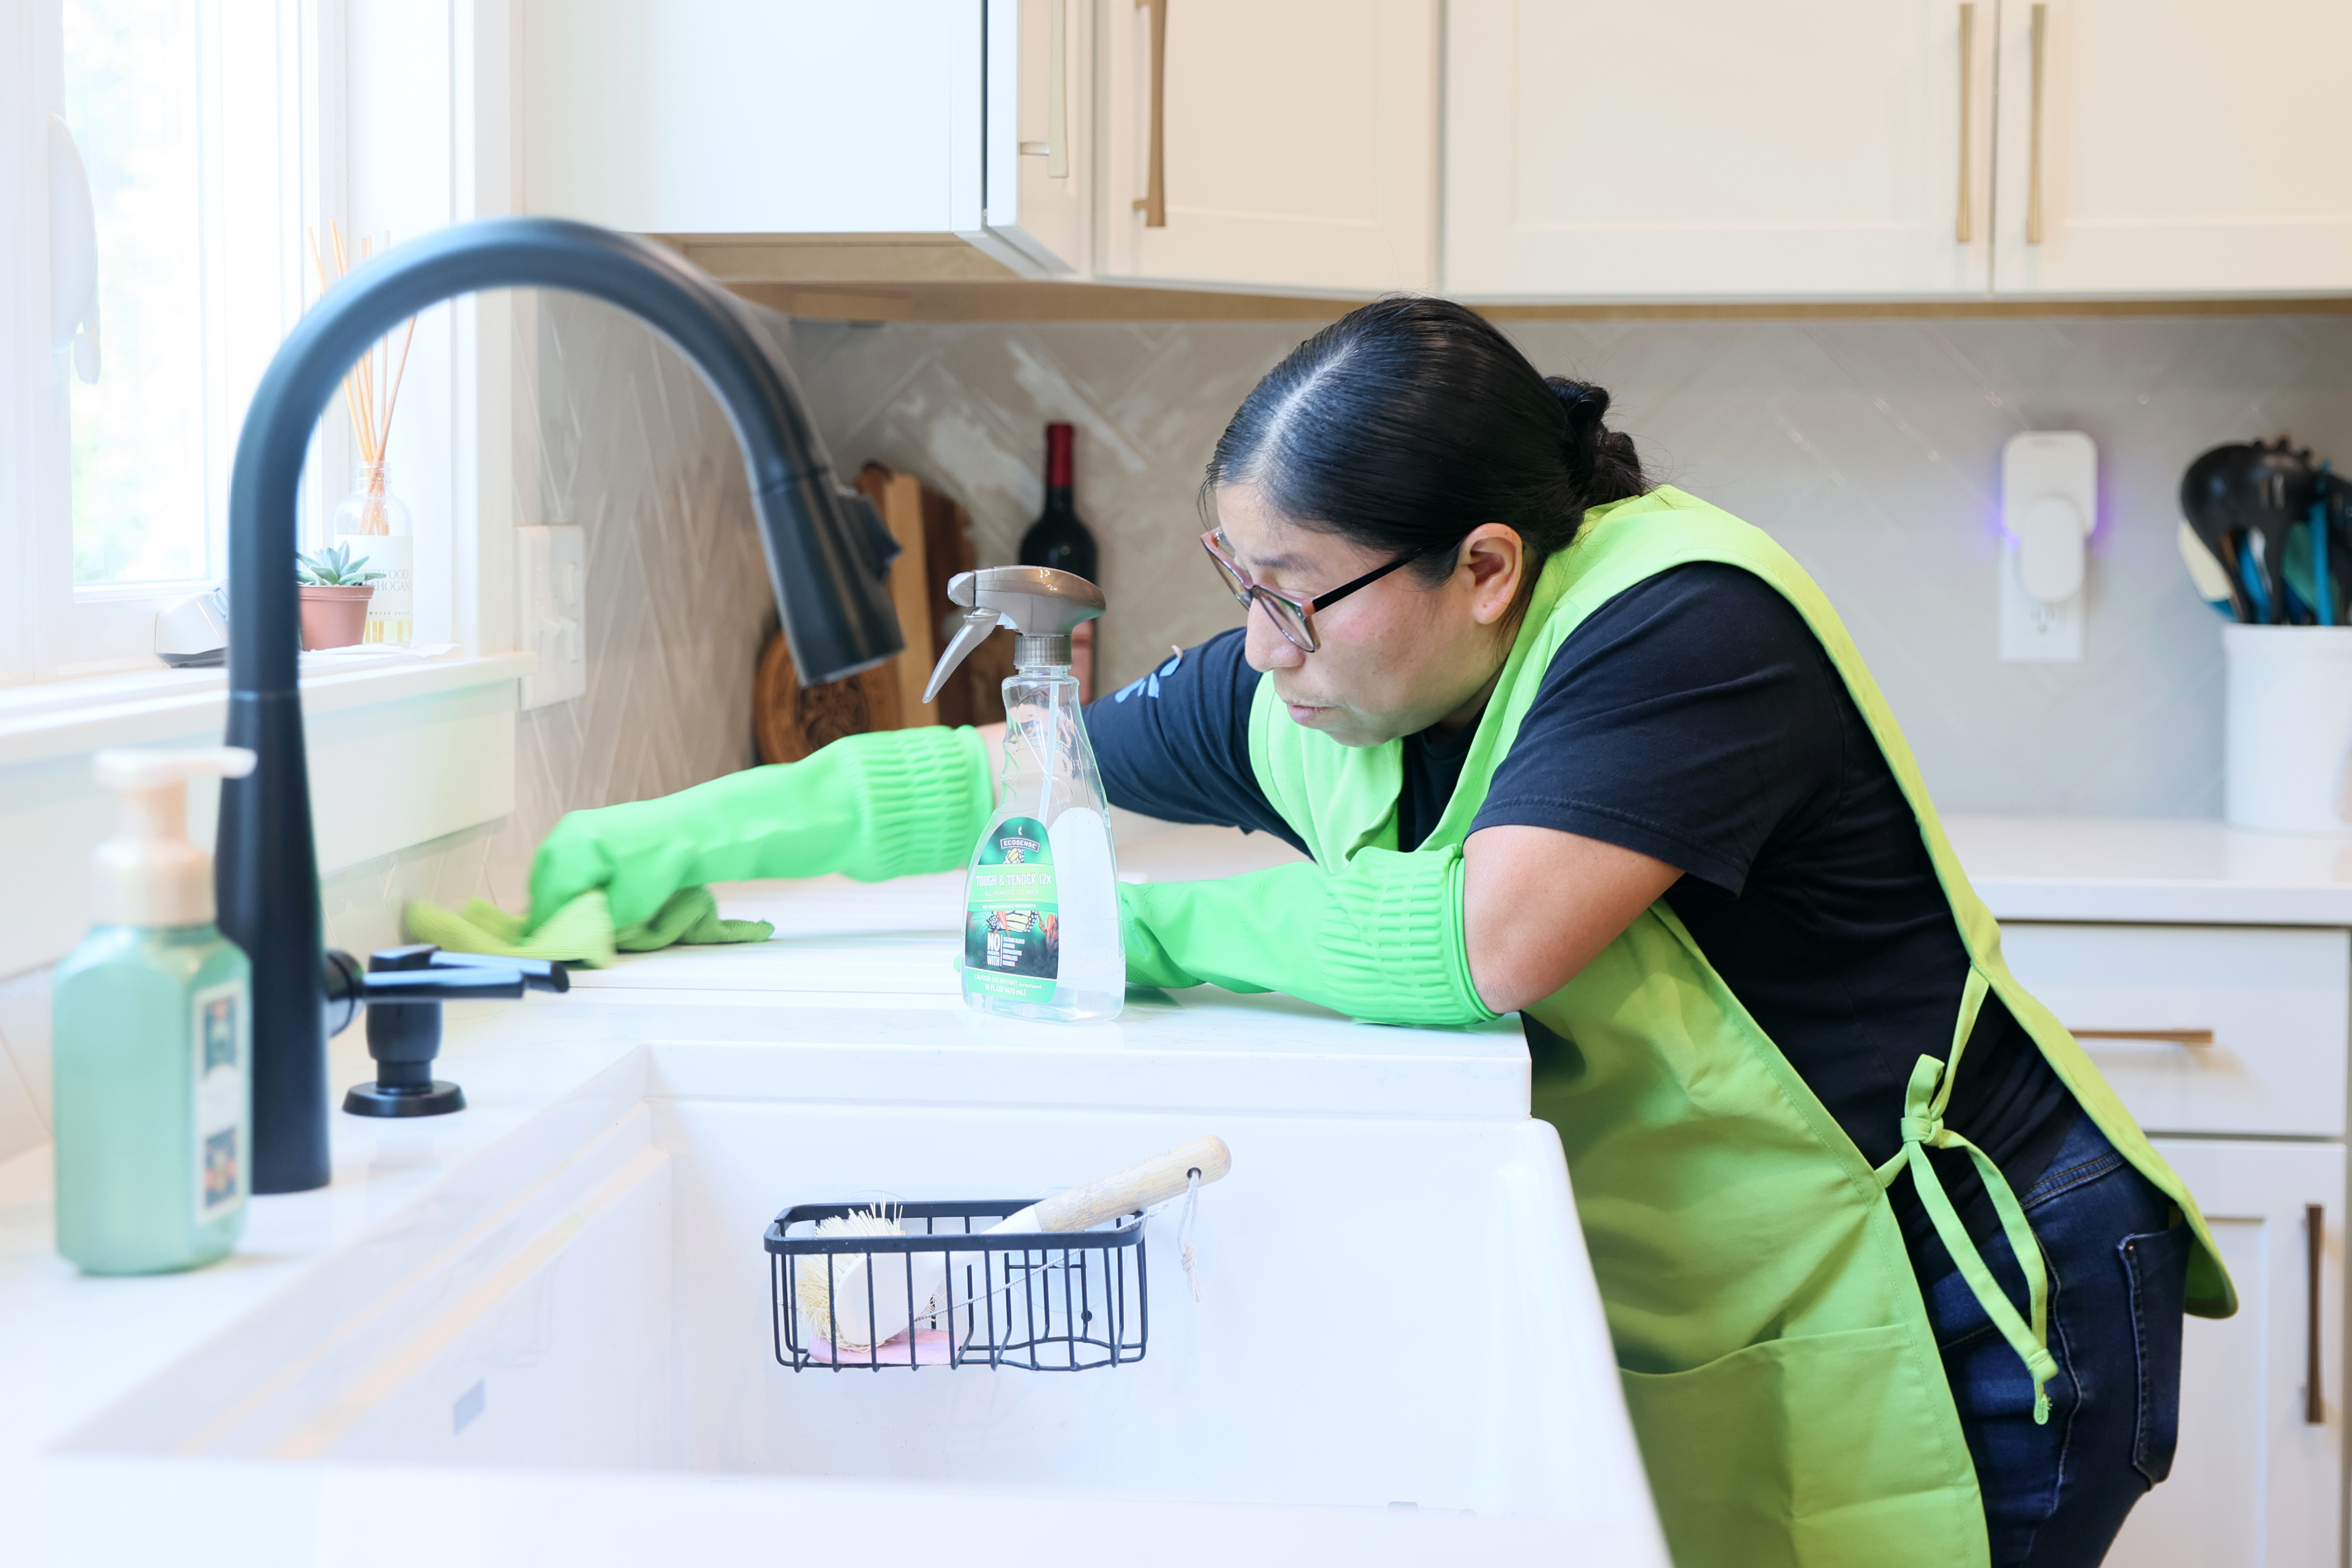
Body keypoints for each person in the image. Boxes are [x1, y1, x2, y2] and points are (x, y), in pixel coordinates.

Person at [525, 298, 2231, 1568]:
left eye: (1294, 590)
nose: (1257, 642)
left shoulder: (1686, 622)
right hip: (1736, 1292)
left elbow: (1482, 941)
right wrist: (679, 842)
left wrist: (1147, 926)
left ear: (1484, 566)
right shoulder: (1329, 670)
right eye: (1238, 579)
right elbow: (1011, 774)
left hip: (1973, 1302)